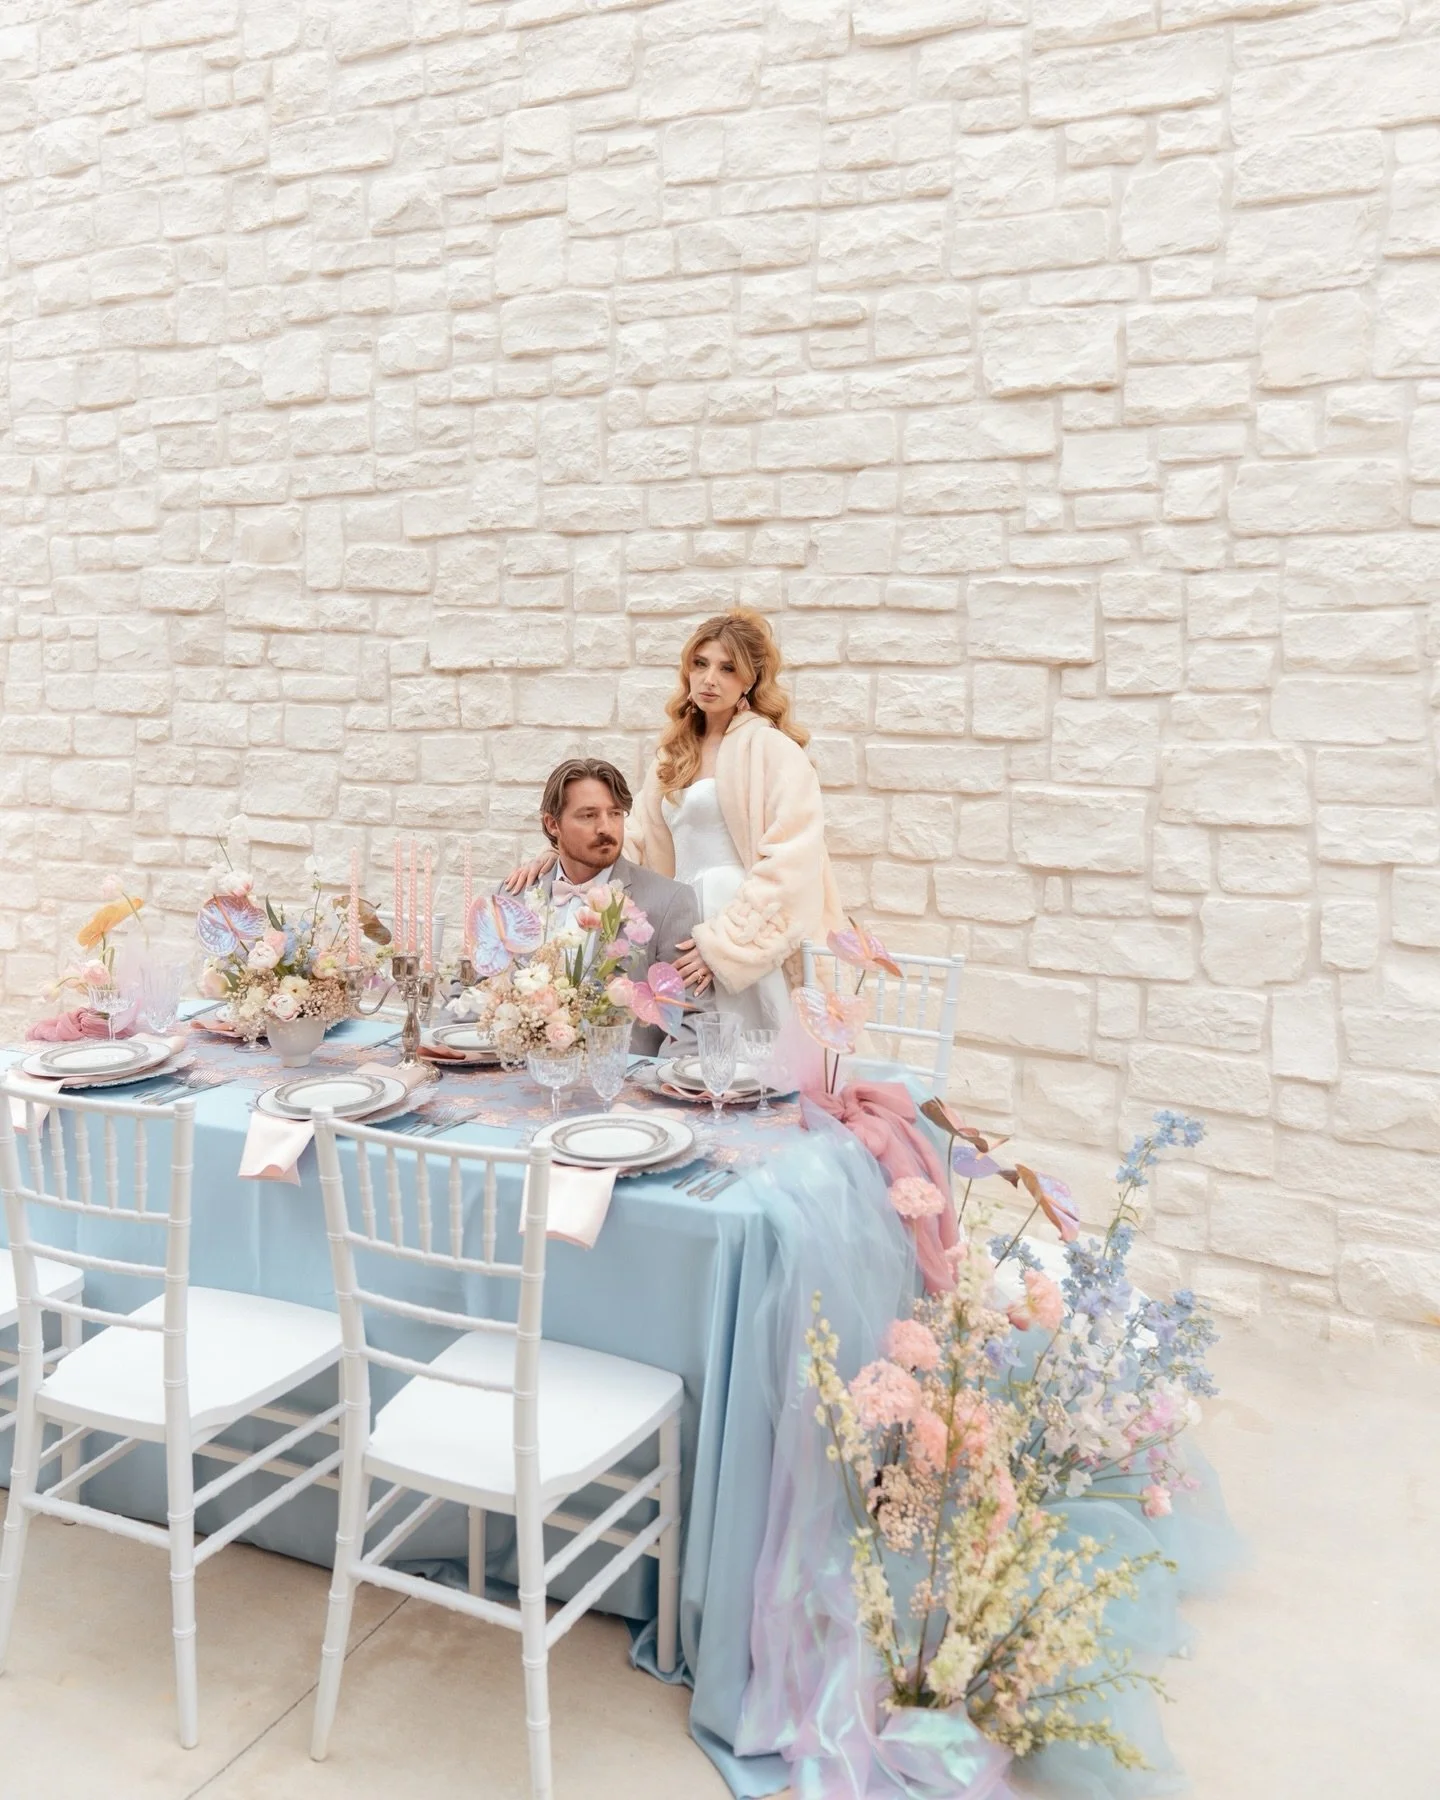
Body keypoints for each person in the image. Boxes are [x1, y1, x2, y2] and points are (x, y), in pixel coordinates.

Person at [508, 610, 843, 1034]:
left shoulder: (772, 750)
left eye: (727, 668)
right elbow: (635, 839)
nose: (709, 679)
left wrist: (726, 948)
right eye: (700, 664)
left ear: (750, 680)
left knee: (743, 1045)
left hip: (737, 922)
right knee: (685, 1043)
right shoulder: (674, 755)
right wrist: (561, 856)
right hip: (679, 921)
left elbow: (792, 861)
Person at [528, 756, 715, 1058]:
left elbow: (691, 1021)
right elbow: (475, 991)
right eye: (588, 815)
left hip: (628, 1081)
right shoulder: (518, 895)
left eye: (615, 813)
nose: (606, 827)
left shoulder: (670, 901)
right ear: (553, 824)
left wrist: (654, 1082)